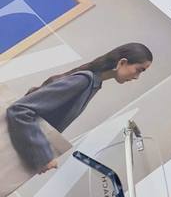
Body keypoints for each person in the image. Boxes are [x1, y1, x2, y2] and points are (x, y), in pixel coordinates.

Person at [5, 42, 153, 175]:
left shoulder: (92, 84)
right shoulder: (83, 81)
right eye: (139, 70)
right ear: (122, 62)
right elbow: (20, 110)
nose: (137, 77)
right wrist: (43, 156)